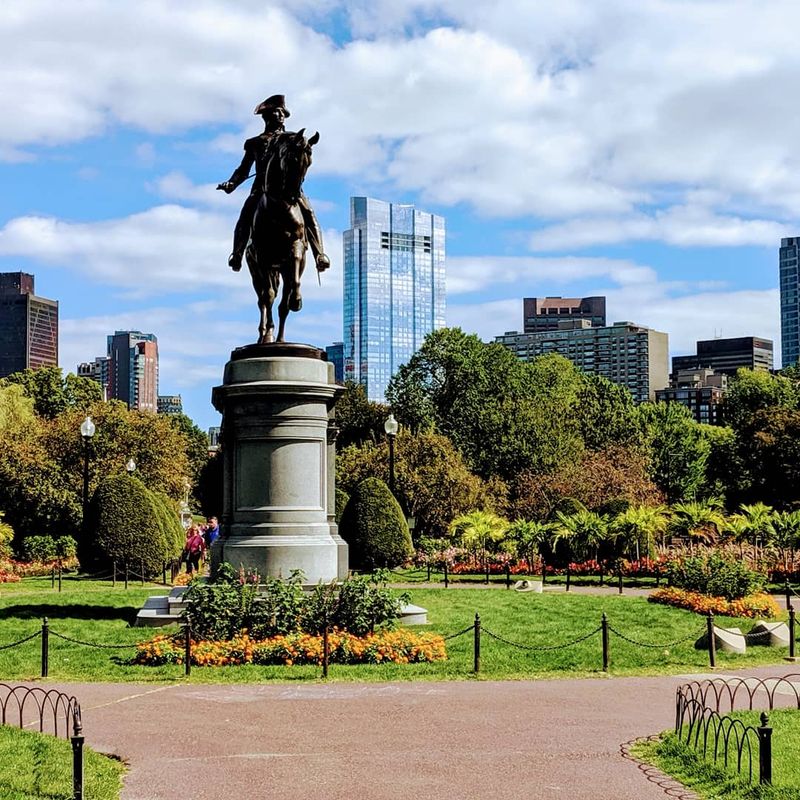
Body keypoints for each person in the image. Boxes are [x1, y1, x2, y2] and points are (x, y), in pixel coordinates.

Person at [216, 94, 330, 274]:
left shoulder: (291, 138)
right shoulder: (255, 143)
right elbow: (243, 169)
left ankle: (320, 254)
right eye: (278, 112)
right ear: (268, 116)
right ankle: (237, 253)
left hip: (288, 189)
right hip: (261, 189)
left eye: (283, 112)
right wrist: (232, 183)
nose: (282, 115)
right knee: (246, 214)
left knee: (308, 213)